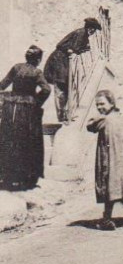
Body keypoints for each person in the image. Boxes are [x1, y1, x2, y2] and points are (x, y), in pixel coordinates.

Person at [87, 90, 123, 230]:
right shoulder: (118, 118)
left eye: (102, 104)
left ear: (111, 103)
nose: (100, 107)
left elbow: (90, 126)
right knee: (118, 188)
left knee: (109, 187)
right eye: (97, 105)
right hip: (122, 160)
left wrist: (98, 117)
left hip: (110, 158)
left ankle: (107, 219)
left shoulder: (105, 120)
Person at [0, 46, 51, 190]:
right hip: (27, 112)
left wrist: (6, 100)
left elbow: (3, 85)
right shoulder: (36, 72)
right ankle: (26, 179)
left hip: (10, 110)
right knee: (28, 141)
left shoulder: (16, 68)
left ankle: (7, 177)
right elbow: (47, 89)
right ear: (38, 60)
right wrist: (36, 101)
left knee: (8, 139)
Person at [44, 17, 102, 122]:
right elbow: (63, 45)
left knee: (66, 87)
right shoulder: (80, 33)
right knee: (61, 88)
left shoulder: (84, 35)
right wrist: (77, 49)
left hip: (64, 60)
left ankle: (66, 114)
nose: (93, 32)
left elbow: (78, 48)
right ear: (89, 28)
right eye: (93, 29)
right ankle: (62, 117)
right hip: (59, 60)